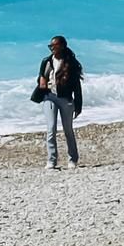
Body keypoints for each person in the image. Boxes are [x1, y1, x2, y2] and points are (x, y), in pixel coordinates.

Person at [36, 34, 83, 170]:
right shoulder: (46, 61)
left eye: (54, 46)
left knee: (68, 130)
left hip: (66, 99)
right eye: (50, 46)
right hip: (49, 97)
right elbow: (41, 76)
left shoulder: (71, 63)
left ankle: (72, 159)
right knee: (51, 128)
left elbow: (77, 86)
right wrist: (41, 80)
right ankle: (51, 160)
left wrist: (78, 105)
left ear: (62, 46)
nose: (52, 48)